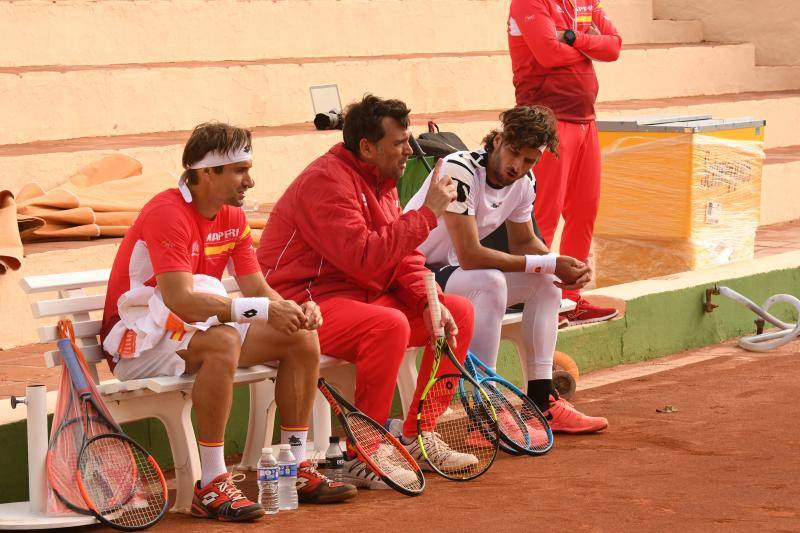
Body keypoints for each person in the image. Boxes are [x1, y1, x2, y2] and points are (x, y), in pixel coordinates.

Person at [100, 122, 356, 522]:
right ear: (206, 173)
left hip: (190, 329)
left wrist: (294, 308)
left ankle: (296, 463)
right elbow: (180, 300)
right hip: (139, 340)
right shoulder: (167, 213)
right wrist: (257, 310)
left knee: (300, 338)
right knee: (223, 341)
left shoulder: (233, 218)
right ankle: (213, 482)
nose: (249, 181)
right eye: (239, 170)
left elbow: (257, 287)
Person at [257, 95, 478, 488]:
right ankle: (367, 450)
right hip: (304, 304)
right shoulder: (325, 181)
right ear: (367, 147)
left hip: (358, 296)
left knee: (455, 311)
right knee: (389, 325)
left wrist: (429, 301)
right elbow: (364, 257)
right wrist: (426, 215)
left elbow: (399, 256)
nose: (409, 150)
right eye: (399, 143)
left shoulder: (383, 179)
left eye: (408, 140)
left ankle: (418, 435)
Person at [405, 105, 608, 433]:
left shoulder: (525, 182)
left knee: (546, 283)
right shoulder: (460, 169)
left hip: (452, 275)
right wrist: (548, 262)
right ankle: (486, 409)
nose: (518, 166)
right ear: (498, 140)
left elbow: (524, 241)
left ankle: (543, 400)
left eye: (529, 160)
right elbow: (470, 255)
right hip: (413, 273)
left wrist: (559, 266)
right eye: (513, 152)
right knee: (490, 282)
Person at [508, 0, 622, 324]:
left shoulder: (585, 1)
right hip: (548, 120)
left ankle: (571, 299)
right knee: (543, 212)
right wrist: (590, 48)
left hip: (586, 119)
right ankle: (537, 300)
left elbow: (614, 47)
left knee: (585, 210)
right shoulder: (529, 2)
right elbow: (547, 54)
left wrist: (573, 39)